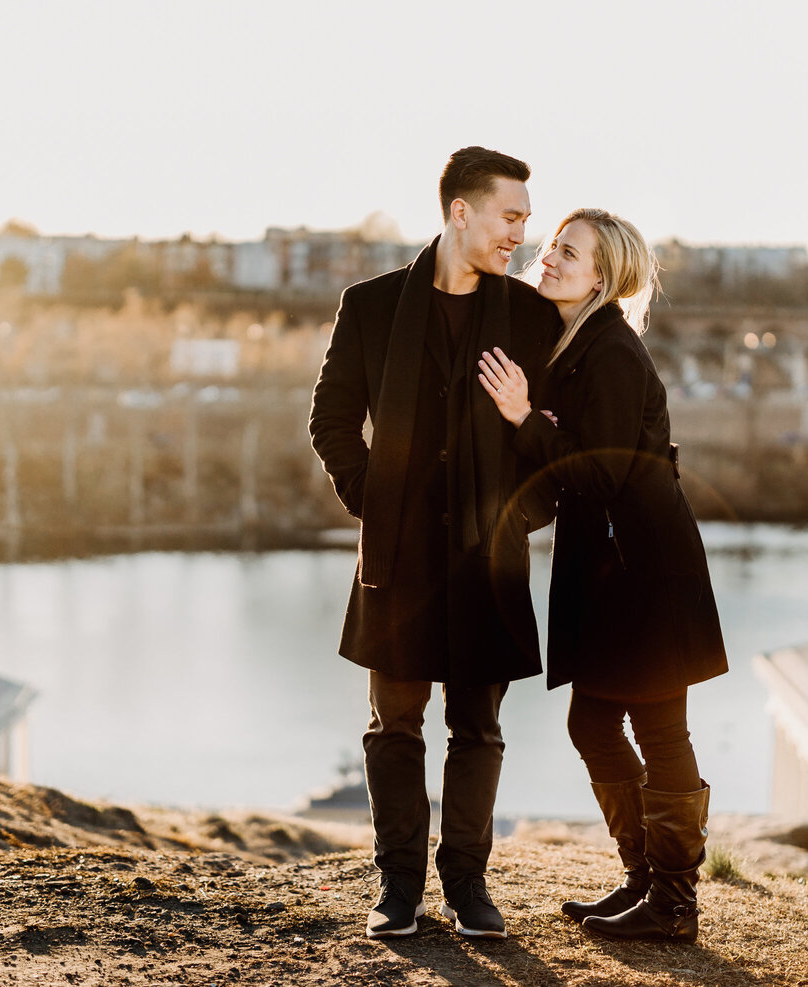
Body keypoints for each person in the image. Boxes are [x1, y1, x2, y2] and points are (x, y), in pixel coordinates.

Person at [308, 147, 562, 939]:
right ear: (462, 212)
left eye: (526, 217)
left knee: (479, 728)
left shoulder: (530, 317)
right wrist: (375, 504)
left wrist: (520, 483)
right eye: (511, 215)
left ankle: (468, 886)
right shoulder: (372, 306)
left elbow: (558, 440)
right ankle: (398, 888)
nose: (523, 232)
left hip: (489, 560)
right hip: (399, 560)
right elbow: (331, 421)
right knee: (394, 725)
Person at [477, 208, 728, 944]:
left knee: (657, 724)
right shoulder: (575, 344)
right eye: (553, 245)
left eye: (571, 252)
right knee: (593, 720)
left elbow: (606, 467)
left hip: (644, 567)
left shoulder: (611, 351)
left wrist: (525, 415)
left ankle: (674, 905)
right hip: (611, 567)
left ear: (605, 276)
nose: (550, 257)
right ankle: (646, 879)